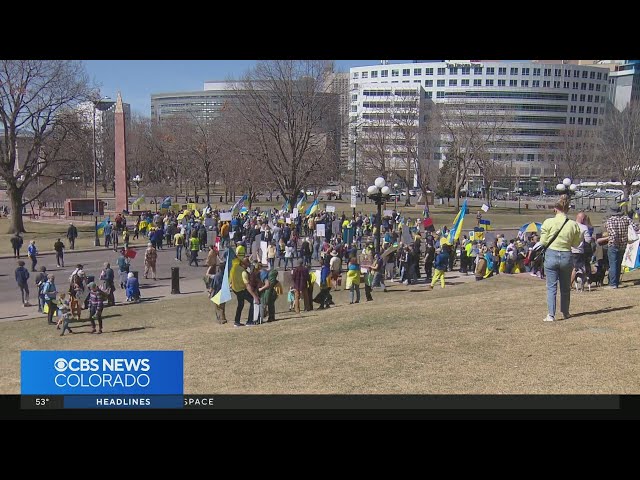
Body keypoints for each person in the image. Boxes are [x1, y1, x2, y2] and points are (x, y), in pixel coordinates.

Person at [540, 194, 581, 322]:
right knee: (565, 287)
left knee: (551, 287)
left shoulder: (548, 222)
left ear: (555, 208)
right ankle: (565, 312)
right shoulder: (573, 225)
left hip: (551, 255)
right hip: (566, 256)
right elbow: (575, 244)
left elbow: (543, 242)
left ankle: (551, 315)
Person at [597, 205, 634, 289]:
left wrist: (611, 239)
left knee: (613, 264)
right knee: (618, 263)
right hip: (623, 244)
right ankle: (617, 282)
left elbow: (612, 234)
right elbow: (635, 227)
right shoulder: (626, 219)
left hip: (613, 244)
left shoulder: (610, 221)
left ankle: (613, 284)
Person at [230, 256, 260, 327]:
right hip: (241, 290)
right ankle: (250, 321)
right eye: (248, 263)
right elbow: (247, 286)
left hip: (235, 289)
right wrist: (254, 296)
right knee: (252, 301)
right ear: (244, 263)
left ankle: (237, 322)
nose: (249, 264)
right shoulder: (243, 272)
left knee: (240, 304)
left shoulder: (234, 268)